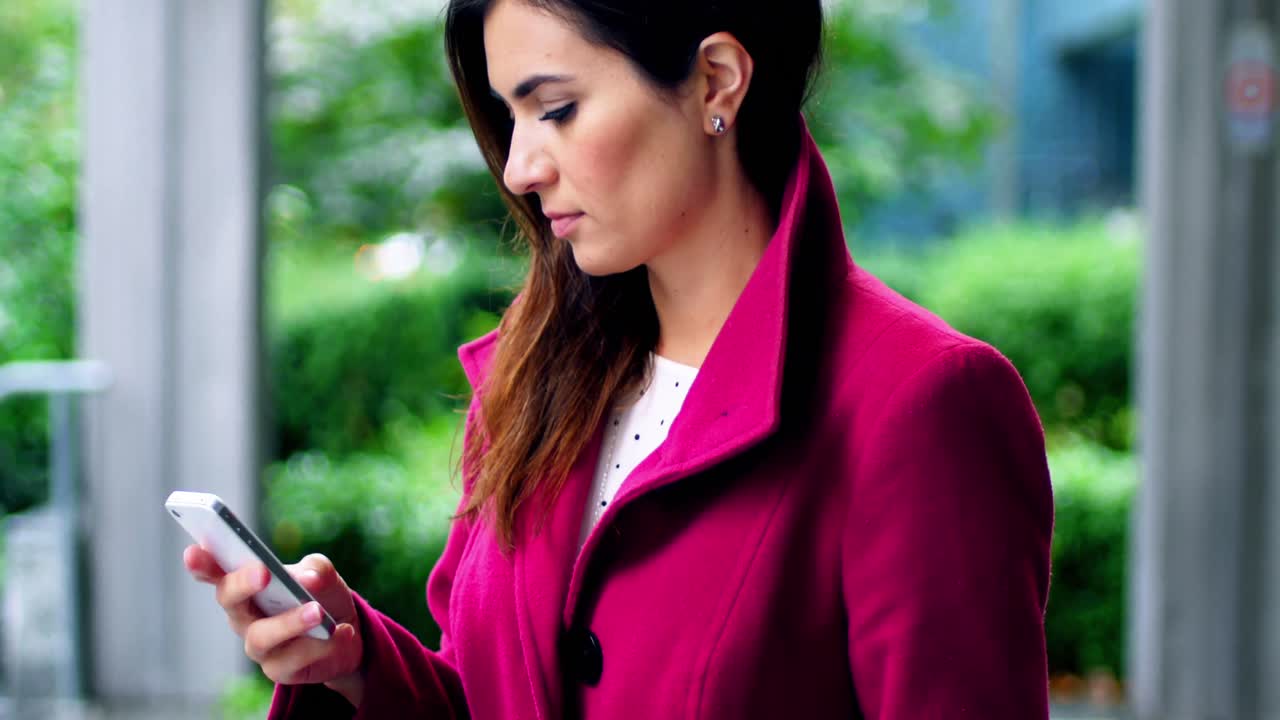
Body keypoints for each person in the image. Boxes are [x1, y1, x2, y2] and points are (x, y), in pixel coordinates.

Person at [181, 0, 1055, 717]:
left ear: (717, 79)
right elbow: (491, 696)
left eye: (554, 108)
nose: (520, 166)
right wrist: (357, 667)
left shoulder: (921, 401)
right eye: (509, 116)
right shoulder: (536, 376)